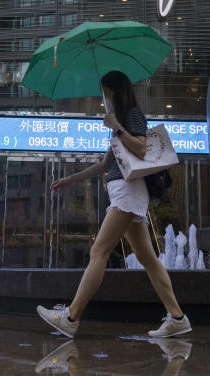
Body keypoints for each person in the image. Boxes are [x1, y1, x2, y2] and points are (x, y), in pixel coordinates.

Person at [37, 70, 191, 339]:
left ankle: (71, 317)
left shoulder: (131, 115)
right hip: (124, 192)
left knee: (99, 251)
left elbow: (142, 148)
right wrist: (70, 179)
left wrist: (117, 127)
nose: (104, 101)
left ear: (116, 93)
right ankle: (177, 317)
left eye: (106, 94)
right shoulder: (121, 119)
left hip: (129, 193)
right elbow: (105, 165)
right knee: (147, 258)